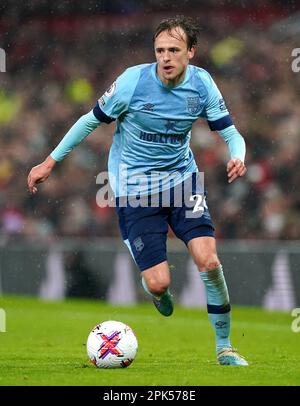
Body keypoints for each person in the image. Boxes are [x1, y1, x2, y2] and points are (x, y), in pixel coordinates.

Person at [27, 16, 248, 366]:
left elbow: (231, 133)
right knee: (159, 283)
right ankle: (156, 291)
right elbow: (89, 121)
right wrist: (50, 162)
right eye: (160, 50)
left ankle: (225, 347)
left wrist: (237, 155)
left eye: (174, 50)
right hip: (135, 190)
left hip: (182, 182)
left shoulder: (203, 85)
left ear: (191, 52)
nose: (166, 57)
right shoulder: (132, 82)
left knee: (209, 260)